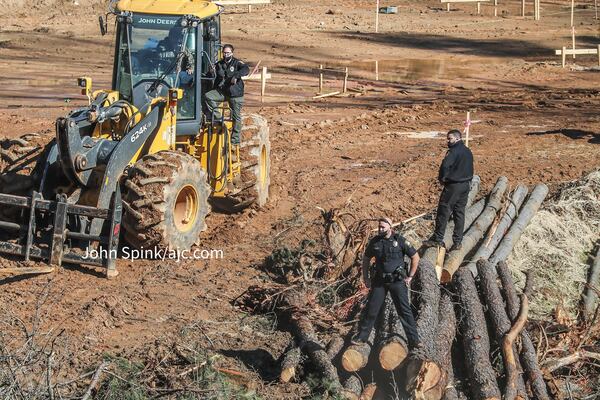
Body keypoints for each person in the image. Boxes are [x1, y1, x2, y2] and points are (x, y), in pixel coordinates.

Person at [352, 217, 421, 349]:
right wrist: (366, 277)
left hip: (397, 281)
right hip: (380, 281)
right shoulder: (375, 241)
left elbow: (415, 257)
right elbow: (366, 259)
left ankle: (415, 341)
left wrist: (410, 276)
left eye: (383, 227)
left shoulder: (400, 240)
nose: (380, 229)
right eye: (379, 227)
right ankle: (362, 337)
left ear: (390, 227)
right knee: (372, 309)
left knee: (404, 311)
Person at [423, 129, 474, 251]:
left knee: (443, 211)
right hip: (466, 185)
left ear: (457, 138)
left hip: (453, 186)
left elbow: (445, 165)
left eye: (450, 139)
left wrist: (443, 179)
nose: (448, 141)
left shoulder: (453, 151)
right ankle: (457, 242)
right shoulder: (468, 151)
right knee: (459, 213)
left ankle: (437, 239)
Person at [204, 44, 249, 150]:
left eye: (228, 53)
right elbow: (210, 74)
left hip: (235, 94)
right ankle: (219, 119)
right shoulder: (219, 64)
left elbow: (246, 69)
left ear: (232, 53)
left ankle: (235, 140)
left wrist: (236, 76)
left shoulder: (237, 63)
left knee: (236, 116)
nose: (226, 54)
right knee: (208, 96)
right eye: (224, 52)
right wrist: (210, 72)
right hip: (223, 92)